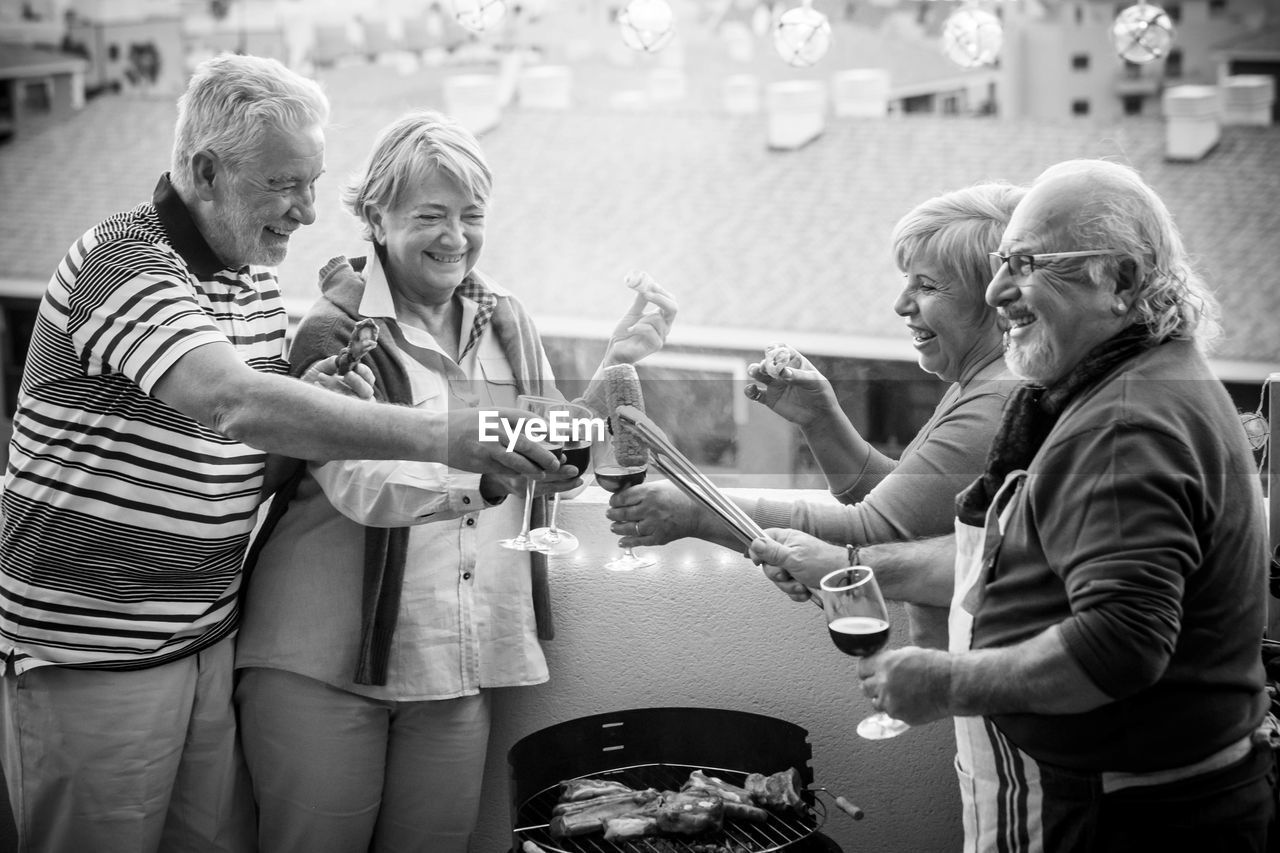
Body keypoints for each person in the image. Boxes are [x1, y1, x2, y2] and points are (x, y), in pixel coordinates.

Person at [0, 55, 563, 853]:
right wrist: (448, 438)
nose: (304, 212)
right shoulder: (122, 263)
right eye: (283, 184)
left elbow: (253, 464)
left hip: (205, 637)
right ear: (205, 170)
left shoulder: (255, 285)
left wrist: (326, 403)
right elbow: (236, 402)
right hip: (95, 654)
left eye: (311, 182)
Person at [753, 158, 1274, 851]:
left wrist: (949, 680)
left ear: (1118, 280)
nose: (999, 290)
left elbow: (1121, 644)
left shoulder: (1127, 423)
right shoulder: (1128, 380)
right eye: (1002, 264)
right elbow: (1016, 553)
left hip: (1141, 815)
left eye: (1027, 265)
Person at [233, 110, 678, 853]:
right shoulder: (337, 332)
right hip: (320, 667)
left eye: (472, 215)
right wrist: (488, 475)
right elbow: (364, 487)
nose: (456, 236)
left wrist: (615, 365)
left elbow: (543, 450)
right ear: (376, 214)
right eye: (430, 215)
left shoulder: (505, 317)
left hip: (455, 661)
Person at [607, 182, 1024, 644]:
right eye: (906, 282)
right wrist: (821, 419)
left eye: (925, 286)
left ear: (999, 297)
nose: (901, 304)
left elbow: (872, 535)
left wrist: (701, 512)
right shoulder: (982, 381)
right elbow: (910, 509)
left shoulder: (996, 403)